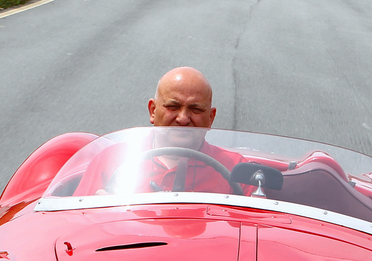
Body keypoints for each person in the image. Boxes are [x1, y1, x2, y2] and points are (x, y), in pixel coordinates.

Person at [74, 67, 247, 195]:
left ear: (210, 118)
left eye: (196, 109)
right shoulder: (111, 159)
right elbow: (74, 223)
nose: (183, 119)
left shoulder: (236, 169)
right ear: (153, 111)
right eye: (173, 107)